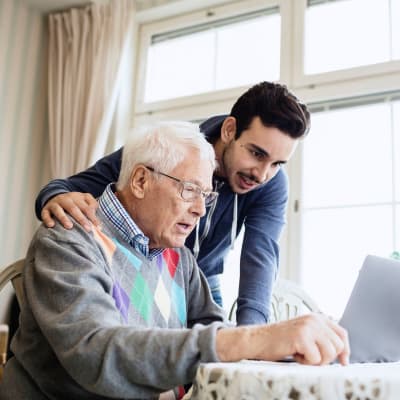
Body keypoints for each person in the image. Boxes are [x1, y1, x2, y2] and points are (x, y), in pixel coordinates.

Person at [1, 122, 349, 400]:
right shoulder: (69, 237)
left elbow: (216, 330)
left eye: (206, 194)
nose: (200, 209)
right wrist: (253, 340)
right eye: (189, 190)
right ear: (139, 180)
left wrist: (279, 348)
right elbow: (97, 353)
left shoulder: (178, 257)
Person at [35, 81, 310, 325]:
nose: (262, 174)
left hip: (201, 280)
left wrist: (252, 335)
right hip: (145, 269)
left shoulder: (271, 183)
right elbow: (70, 187)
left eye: (277, 163)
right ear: (229, 130)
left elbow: (261, 256)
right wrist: (55, 197)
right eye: (256, 153)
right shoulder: (173, 151)